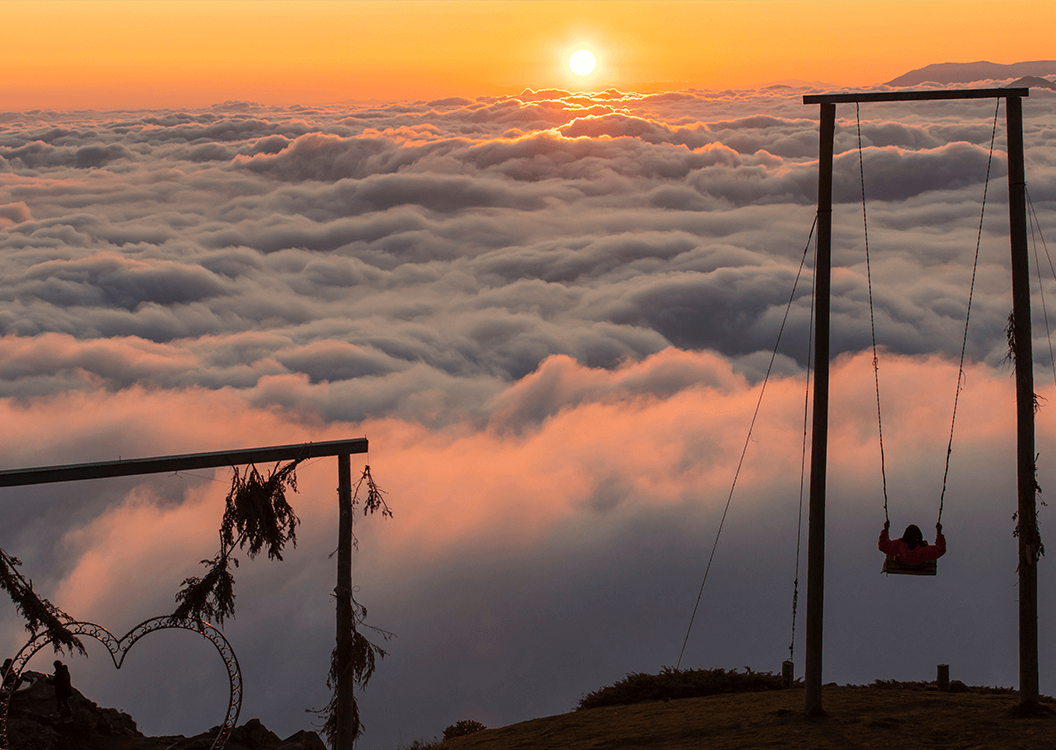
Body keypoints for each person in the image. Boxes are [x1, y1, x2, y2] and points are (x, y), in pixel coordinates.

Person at [879, 521, 946, 565]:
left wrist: (886, 529)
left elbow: (882, 546)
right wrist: (939, 532)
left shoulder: (898, 546)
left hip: (902, 562)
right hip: (919, 564)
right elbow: (941, 550)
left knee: (891, 549)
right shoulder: (924, 550)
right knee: (926, 545)